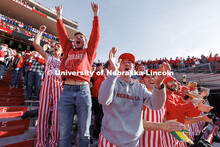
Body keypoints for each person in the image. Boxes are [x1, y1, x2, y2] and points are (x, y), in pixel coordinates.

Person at [98, 47, 169, 147]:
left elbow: (156, 105)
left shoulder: (140, 87)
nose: (127, 64)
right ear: (118, 67)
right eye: (123, 62)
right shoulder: (111, 82)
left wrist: (158, 84)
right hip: (110, 141)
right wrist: (113, 73)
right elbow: (103, 100)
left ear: (133, 68)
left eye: (130, 62)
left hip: (133, 142)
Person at [55, 2, 100, 147]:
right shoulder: (68, 49)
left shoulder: (88, 52)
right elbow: (62, 34)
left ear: (85, 42)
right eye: (76, 37)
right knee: (64, 133)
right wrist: (59, 17)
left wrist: (95, 16)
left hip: (83, 92)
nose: (78, 38)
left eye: (81, 37)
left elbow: (96, 36)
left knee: (84, 133)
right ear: (73, 41)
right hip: (66, 92)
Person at [33, 25, 63, 147]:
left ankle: (54, 143)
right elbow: (35, 44)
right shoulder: (48, 57)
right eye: (54, 47)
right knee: (42, 115)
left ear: (62, 51)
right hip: (46, 85)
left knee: (56, 117)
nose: (56, 48)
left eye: (58, 47)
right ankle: (41, 143)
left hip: (59, 87)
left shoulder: (65, 60)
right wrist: (40, 32)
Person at [140, 70, 185, 147]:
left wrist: (173, 125)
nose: (151, 79)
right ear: (142, 82)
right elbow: (136, 123)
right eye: (148, 77)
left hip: (161, 142)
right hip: (144, 143)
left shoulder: (161, 99)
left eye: (154, 77)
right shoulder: (139, 98)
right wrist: (162, 126)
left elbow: (162, 119)